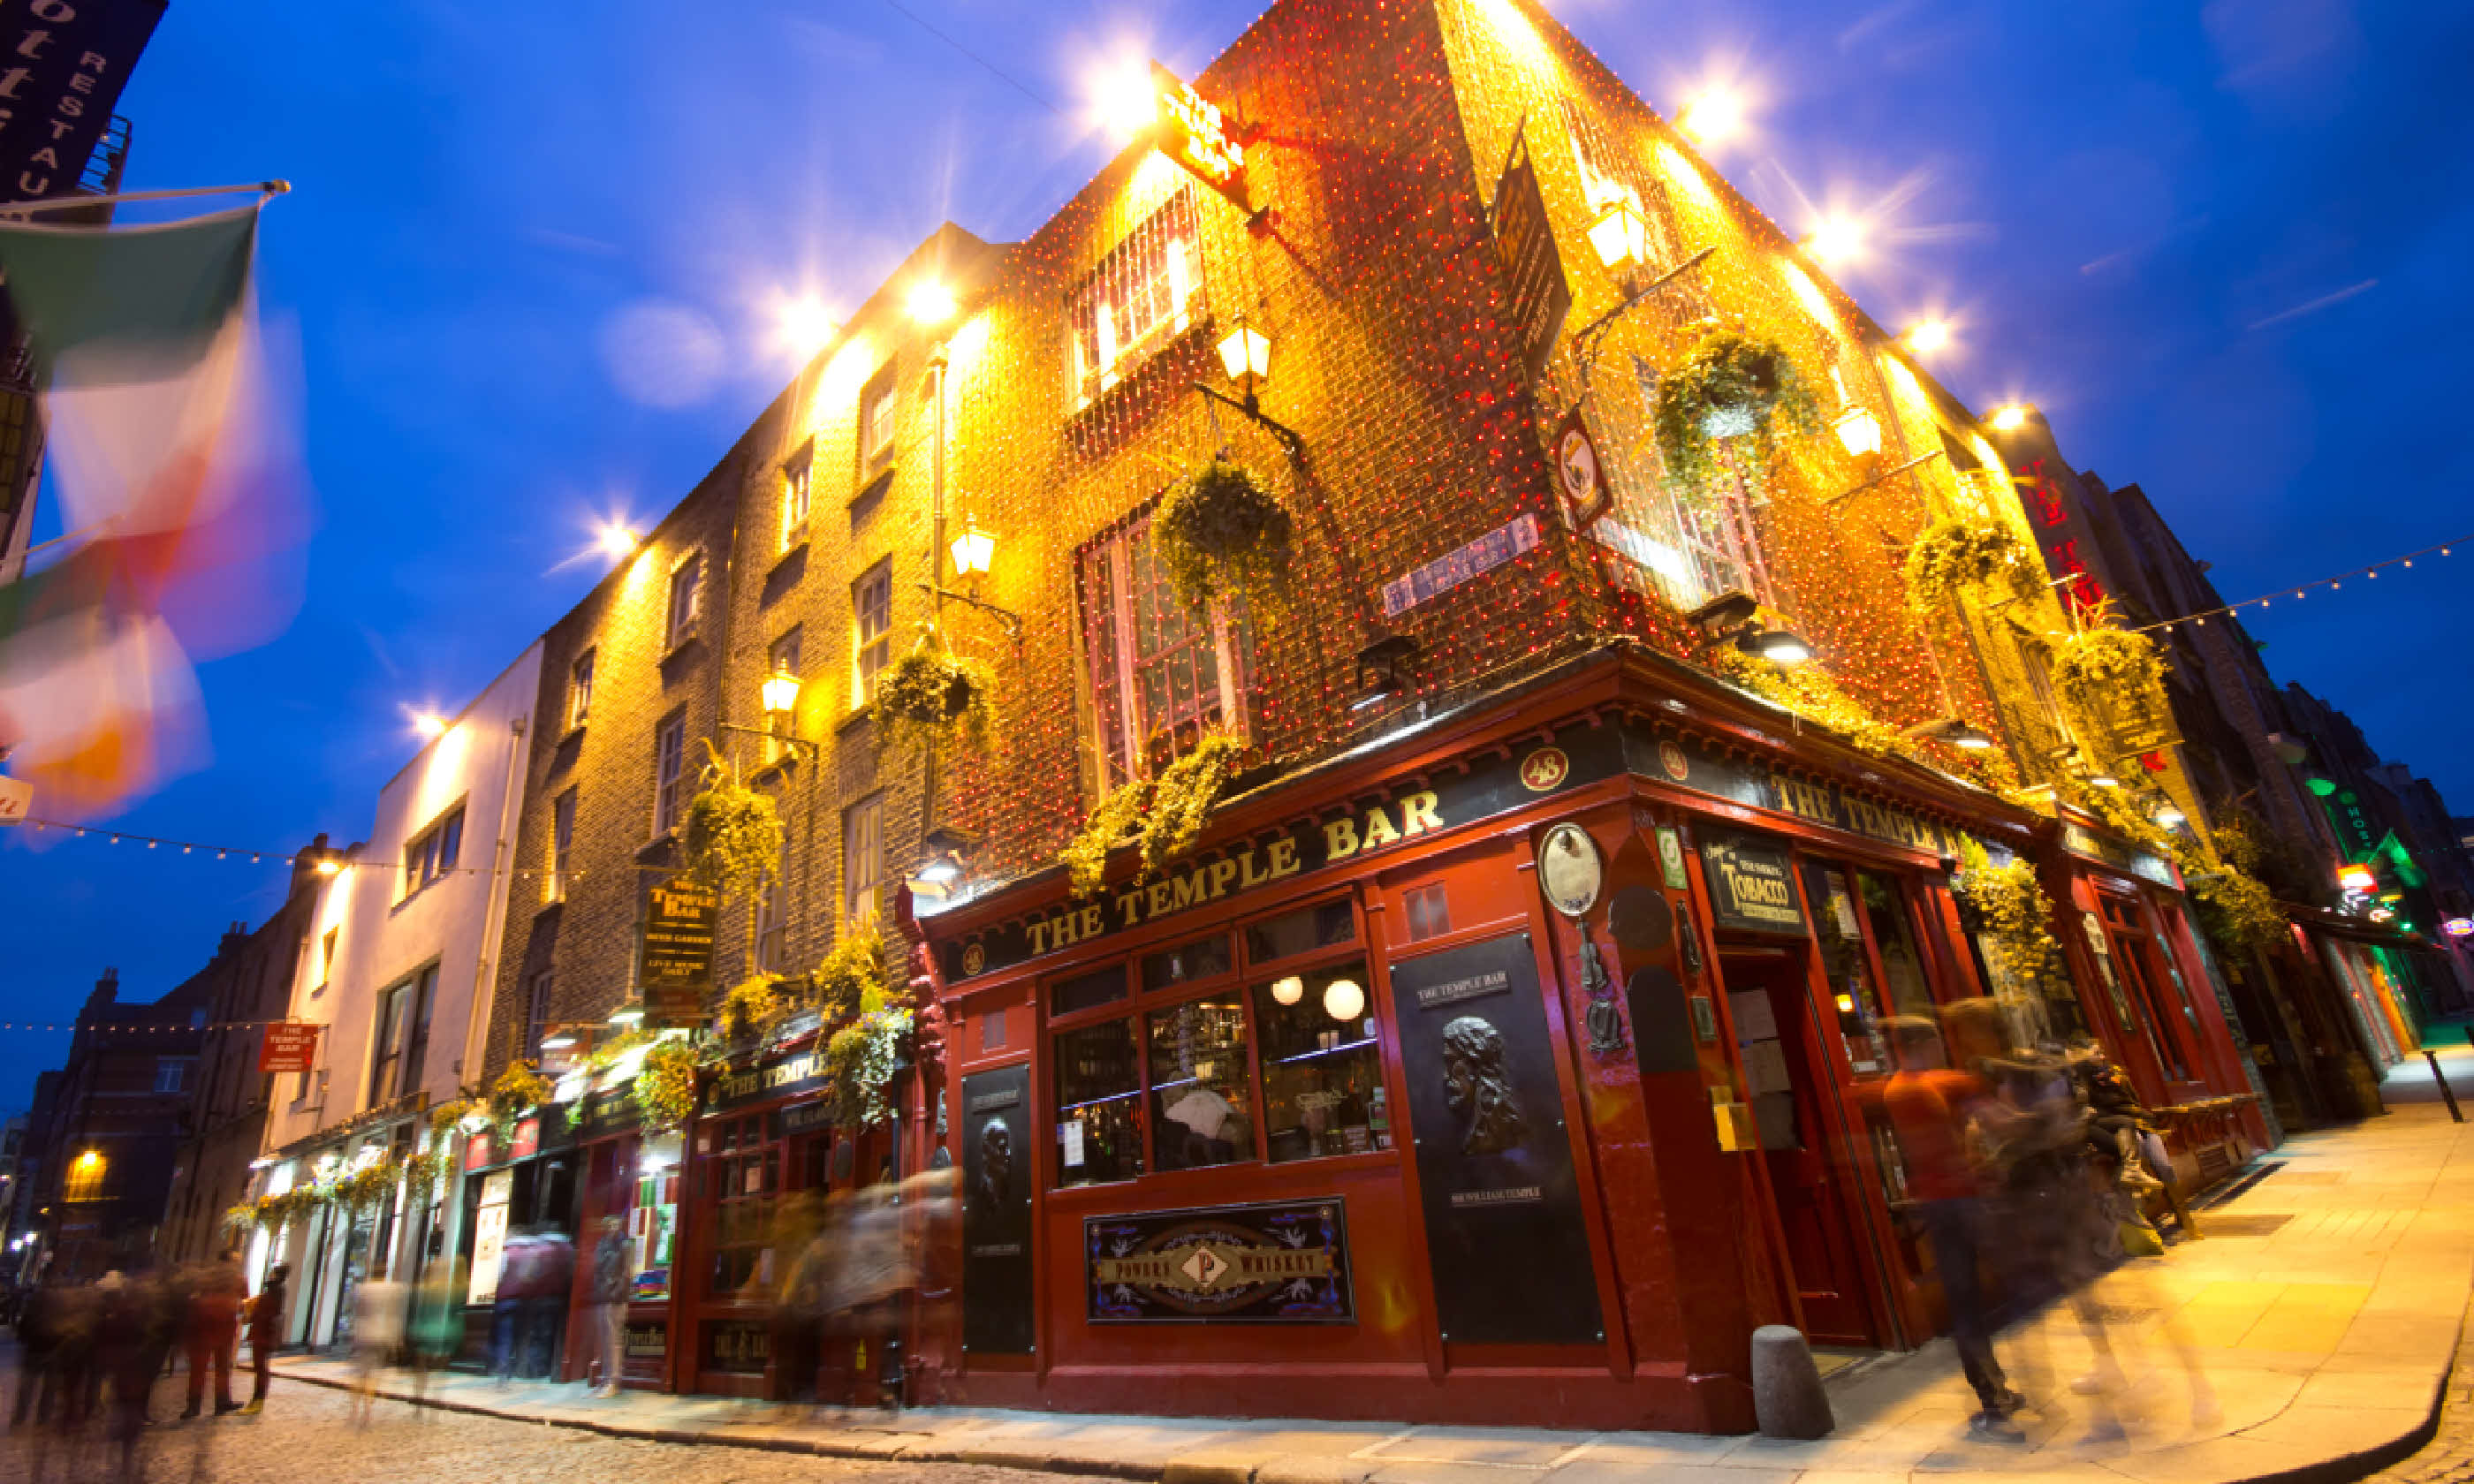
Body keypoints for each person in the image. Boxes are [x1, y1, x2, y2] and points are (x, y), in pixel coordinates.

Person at [1884, 1012, 2026, 1440]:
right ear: (1926, 1045)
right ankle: (1999, 1390)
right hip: (1964, 1198)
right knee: (1996, 1291)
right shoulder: (1935, 1085)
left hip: (1937, 1201)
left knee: (1965, 1299)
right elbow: (1993, 1125)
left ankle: (1993, 1391)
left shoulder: (1897, 1089)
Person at [181, 1250, 246, 1420]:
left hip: (204, 1325)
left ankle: (193, 1406)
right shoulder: (237, 1278)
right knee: (222, 1367)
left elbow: (193, 1296)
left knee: (198, 1368)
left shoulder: (206, 1276)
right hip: (225, 1325)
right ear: (231, 1261)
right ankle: (221, 1402)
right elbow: (244, 1298)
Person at [347, 1276, 406, 1427]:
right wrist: (395, 1339)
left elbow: (355, 1312)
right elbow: (393, 1315)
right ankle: (367, 1411)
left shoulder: (363, 1289)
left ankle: (354, 1409)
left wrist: (353, 1334)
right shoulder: (391, 1290)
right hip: (379, 1336)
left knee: (360, 1373)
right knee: (373, 1374)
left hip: (363, 1334)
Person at [585, 1217, 631, 1397]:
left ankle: (614, 1381)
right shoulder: (602, 1245)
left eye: (615, 1225)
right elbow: (597, 1269)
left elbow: (627, 1272)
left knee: (614, 1341)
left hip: (616, 1298)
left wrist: (616, 1292)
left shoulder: (624, 1245)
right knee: (604, 1340)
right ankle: (604, 1380)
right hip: (603, 1296)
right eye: (609, 1226)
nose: (613, 1228)